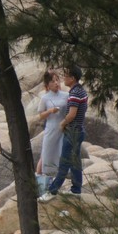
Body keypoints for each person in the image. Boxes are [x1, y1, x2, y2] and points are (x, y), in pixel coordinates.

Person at [45, 66, 88, 197]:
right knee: (75, 162)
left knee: (64, 162)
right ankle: (76, 189)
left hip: (72, 132)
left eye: (66, 76)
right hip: (79, 130)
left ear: (72, 78)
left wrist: (62, 123)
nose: (64, 78)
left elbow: (72, 114)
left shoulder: (74, 94)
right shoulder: (81, 91)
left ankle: (52, 191)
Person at [36, 70, 68, 181]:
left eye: (57, 80)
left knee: (61, 153)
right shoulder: (45, 98)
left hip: (62, 128)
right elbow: (41, 115)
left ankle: (60, 179)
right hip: (51, 128)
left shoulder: (66, 95)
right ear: (48, 85)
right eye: (53, 81)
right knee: (47, 154)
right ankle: (42, 180)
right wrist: (50, 111)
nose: (56, 83)